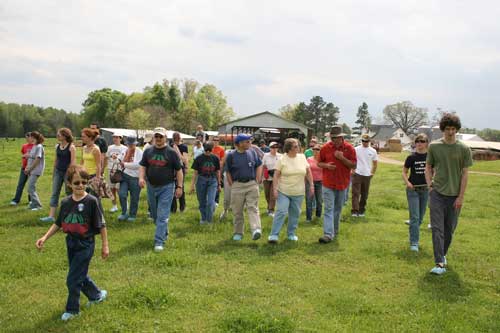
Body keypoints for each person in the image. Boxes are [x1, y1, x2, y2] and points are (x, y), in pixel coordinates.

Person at [35, 165, 109, 321]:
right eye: (76, 183)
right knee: (79, 274)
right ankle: (96, 295)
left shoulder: (91, 201)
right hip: (71, 243)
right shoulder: (66, 202)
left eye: (84, 182)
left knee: (73, 279)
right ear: (69, 184)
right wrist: (44, 237)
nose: (80, 185)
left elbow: (102, 225)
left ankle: (72, 310)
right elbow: (59, 223)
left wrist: (105, 245)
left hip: (85, 244)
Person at [425, 113, 472, 275]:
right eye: (447, 129)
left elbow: (465, 173)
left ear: (457, 130)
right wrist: (430, 185)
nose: (450, 132)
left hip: (454, 195)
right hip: (437, 193)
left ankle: (443, 255)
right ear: (442, 129)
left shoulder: (464, 149)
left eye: (453, 129)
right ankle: (439, 263)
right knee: (437, 228)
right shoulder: (434, 146)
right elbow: (428, 167)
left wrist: (461, 197)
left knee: (449, 230)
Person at [139, 127, 183, 252]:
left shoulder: (171, 152)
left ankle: (159, 241)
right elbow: (143, 166)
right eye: (156, 136)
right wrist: (141, 178)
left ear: (165, 138)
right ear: (153, 138)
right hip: (151, 187)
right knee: (154, 215)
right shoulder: (148, 151)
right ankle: (164, 230)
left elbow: (179, 171)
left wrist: (179, 187)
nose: (158, 139)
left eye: (161, 137)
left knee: (162, 216)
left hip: (167, 187)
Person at [268, 138, 313, 243]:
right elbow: (276, 175)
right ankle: (274, 235)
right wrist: (275, 189)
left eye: (298, 145)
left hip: (299, 192)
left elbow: (308, 172)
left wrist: (311, 185)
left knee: (295, 213)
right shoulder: (282, 159)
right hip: (284, 191)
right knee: (281, 211)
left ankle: (291, 234)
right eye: (295, 146)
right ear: (289, 148)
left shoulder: (302, 157)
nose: (298, 148)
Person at [318, 126, 356, 243]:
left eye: (337, 138)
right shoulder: (325, 148)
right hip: (328, 184)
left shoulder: (349, 148)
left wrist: (342, 158)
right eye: (332, 138)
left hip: (342, 184)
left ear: (341, 137)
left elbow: (353, 166)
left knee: (337, 209)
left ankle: (334, 230)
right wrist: (327, 166)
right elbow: (319, 163)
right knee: (329, 208)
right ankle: (328, 234)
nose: (334, 140)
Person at [225, 133, 263, 241]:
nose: (250, 143)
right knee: (237, 211)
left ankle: (256, 230)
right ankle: (238, 233)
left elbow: (259, 164)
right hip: (237, 185)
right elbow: (227, 171)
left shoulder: (253, 152)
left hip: (251, 184)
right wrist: (232, 184)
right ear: (240, 144)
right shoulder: (231, 156)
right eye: (247, 141)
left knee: (253, 207)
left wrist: (258, 178)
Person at [40, 128, 76, 222]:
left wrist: (70, 175)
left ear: (65, 136)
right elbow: (56, 160)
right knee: (55, 192)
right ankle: (51, 216)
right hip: (58, 172)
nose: (57, 136)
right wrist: (53, 172)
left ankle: (71, 214)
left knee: (69, 193)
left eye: (59, 135)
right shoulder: (57, 146)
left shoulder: (71, 147)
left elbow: (73, 162)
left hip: (67, 173)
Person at [402, 133, 429, 252]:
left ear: (426, 143)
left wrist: (432, 181)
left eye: (422, 141)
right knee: (415, 216)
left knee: (420, 218)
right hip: (413, 190)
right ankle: (414, 243)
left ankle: (413, 227)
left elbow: (435, 170)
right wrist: (407, 182)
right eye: (417, 141)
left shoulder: (430, 157)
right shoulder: (411, 157)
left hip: (425, 190)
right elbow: (404, 172)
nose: (419, 143)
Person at [190, 141, 221, 224]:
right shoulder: (198, 158)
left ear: (212, 149)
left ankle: (209, 220)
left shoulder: (215, 158)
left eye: (209, 150)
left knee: (210, 202)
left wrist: (219, 184)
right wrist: (192, 185)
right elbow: (195, 173)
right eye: (206, 150)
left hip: (212, 180)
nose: (208, 152)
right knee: (202, 201)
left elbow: (218, 171)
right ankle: (204, 219)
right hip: (201, 180)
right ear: (204, 148)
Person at [351, 134, 378, 217]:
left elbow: (375, 163)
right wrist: (352, 170)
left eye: (366, 141)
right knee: (355, 193)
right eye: (363, 141)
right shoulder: (356, 149)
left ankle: (361, 210)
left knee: (364, 194)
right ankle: (355, 211)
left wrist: (372, 173)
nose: (364, 143)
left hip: (367, 174)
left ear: (369, 141)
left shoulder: (373, 151)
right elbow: (352, 160)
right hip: (357, 173)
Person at [118, 136, 143, 222]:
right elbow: (120, 160)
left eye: (132, 144)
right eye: (128, 144)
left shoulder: (139, 152)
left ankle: (132, 215)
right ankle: (124, 212)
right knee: (122, 194)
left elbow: (138, 165)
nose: (130, 145)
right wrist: (116, 158)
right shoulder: (124, 150)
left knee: (134, 198)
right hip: (124, 176)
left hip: (135, 178)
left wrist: (125, 164)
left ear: (135, 144)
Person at [10, 132, 34, 206]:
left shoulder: (36, 146)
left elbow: (37, 157)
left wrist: (29, 156)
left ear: (32, 137)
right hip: (24, 168)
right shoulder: (24, 146)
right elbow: (23, 154)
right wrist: (24, 156)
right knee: (20, 184)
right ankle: (16, 200)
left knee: (30, 185)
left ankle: (31, 200)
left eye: (28, 137)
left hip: (31, 168)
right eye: (26, 137)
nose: (26, 139)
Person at [106, 133, 127, 213]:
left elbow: (125, 158)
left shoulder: (124, 148)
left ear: (120, 138)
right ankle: (114, 206)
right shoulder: (110, 147)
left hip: (120, 170)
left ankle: (124, 205)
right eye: (114, 137)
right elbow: (107, 157)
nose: (115, 139)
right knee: (112, 189)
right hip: (110, 169)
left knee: (119, 189)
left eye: (117, 137)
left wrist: (118, 158)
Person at [26, 131, 46, 211]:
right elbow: (32, 157)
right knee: (30, 187)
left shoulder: (39, 146)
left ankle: (38, 206)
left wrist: (30, 169)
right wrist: (27, 168)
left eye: (29, 136)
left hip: (36, 170)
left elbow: (37, 159)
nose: (28, 138)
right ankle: (33, 205)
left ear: (33, 137)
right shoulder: (34, 146)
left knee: (30, 187)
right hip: (31, 170)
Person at [262, 142, 282, 217]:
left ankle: (271, 210)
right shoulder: (266, 155)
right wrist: (261, 176)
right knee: (267, 194)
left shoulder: (280, 156)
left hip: (276, 177)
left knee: (273, 194)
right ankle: (269, 206)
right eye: (273, 148)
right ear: (270, 148)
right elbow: (263, 166)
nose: (274, 149)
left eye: (276, 148)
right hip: (267, 177)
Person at [170, 132, 188, 213]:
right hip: (171, 169)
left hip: (180, 168)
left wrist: (177, 151)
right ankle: (173, 208)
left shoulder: (184, 146)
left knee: (181, 186)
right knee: (172, 187)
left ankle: (182, 207)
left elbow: (184, 159)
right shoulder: (170, 146)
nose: (176, 140)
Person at [305, 143, 323, 222]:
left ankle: (318, 216)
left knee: (319, 200)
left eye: (317, 149)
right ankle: (308, 218)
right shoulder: (309, 159)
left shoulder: (323, 160)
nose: (315, 151)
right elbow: (305, 170)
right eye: (314, 149)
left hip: (320, 182)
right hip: (310, 182)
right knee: (309, 200)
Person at [211, 136, 225, 206]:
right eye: (214, 140)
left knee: (217, 183)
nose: (216, 141)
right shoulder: (210, 148)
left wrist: (220, 169)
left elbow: (222, 160)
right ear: (212, 141)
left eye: (217, 140)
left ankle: (216, 200)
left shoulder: (221, 149)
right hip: (209, 168)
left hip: (217, 169)